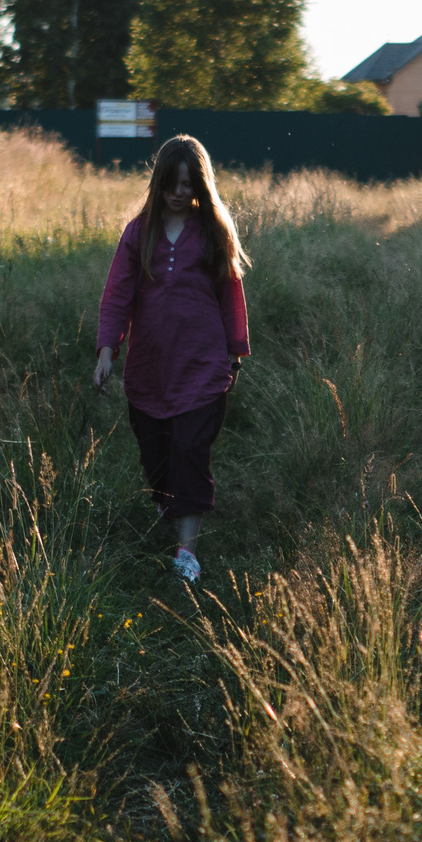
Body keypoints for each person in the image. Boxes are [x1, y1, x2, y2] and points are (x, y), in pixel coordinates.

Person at [93, 135, 250, 583]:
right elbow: (116, 297)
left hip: (203, 370)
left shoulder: (214, 232)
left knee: (189, 452)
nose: (180, 192)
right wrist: (107, 351)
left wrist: (235, 353)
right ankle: (169, 504)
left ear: (200, 184)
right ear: (158, 182)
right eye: (171, 183)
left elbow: (231, 294)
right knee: (157, 460)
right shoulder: (137, 234)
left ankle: (187, 551)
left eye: (189, 184)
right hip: (149, 372)